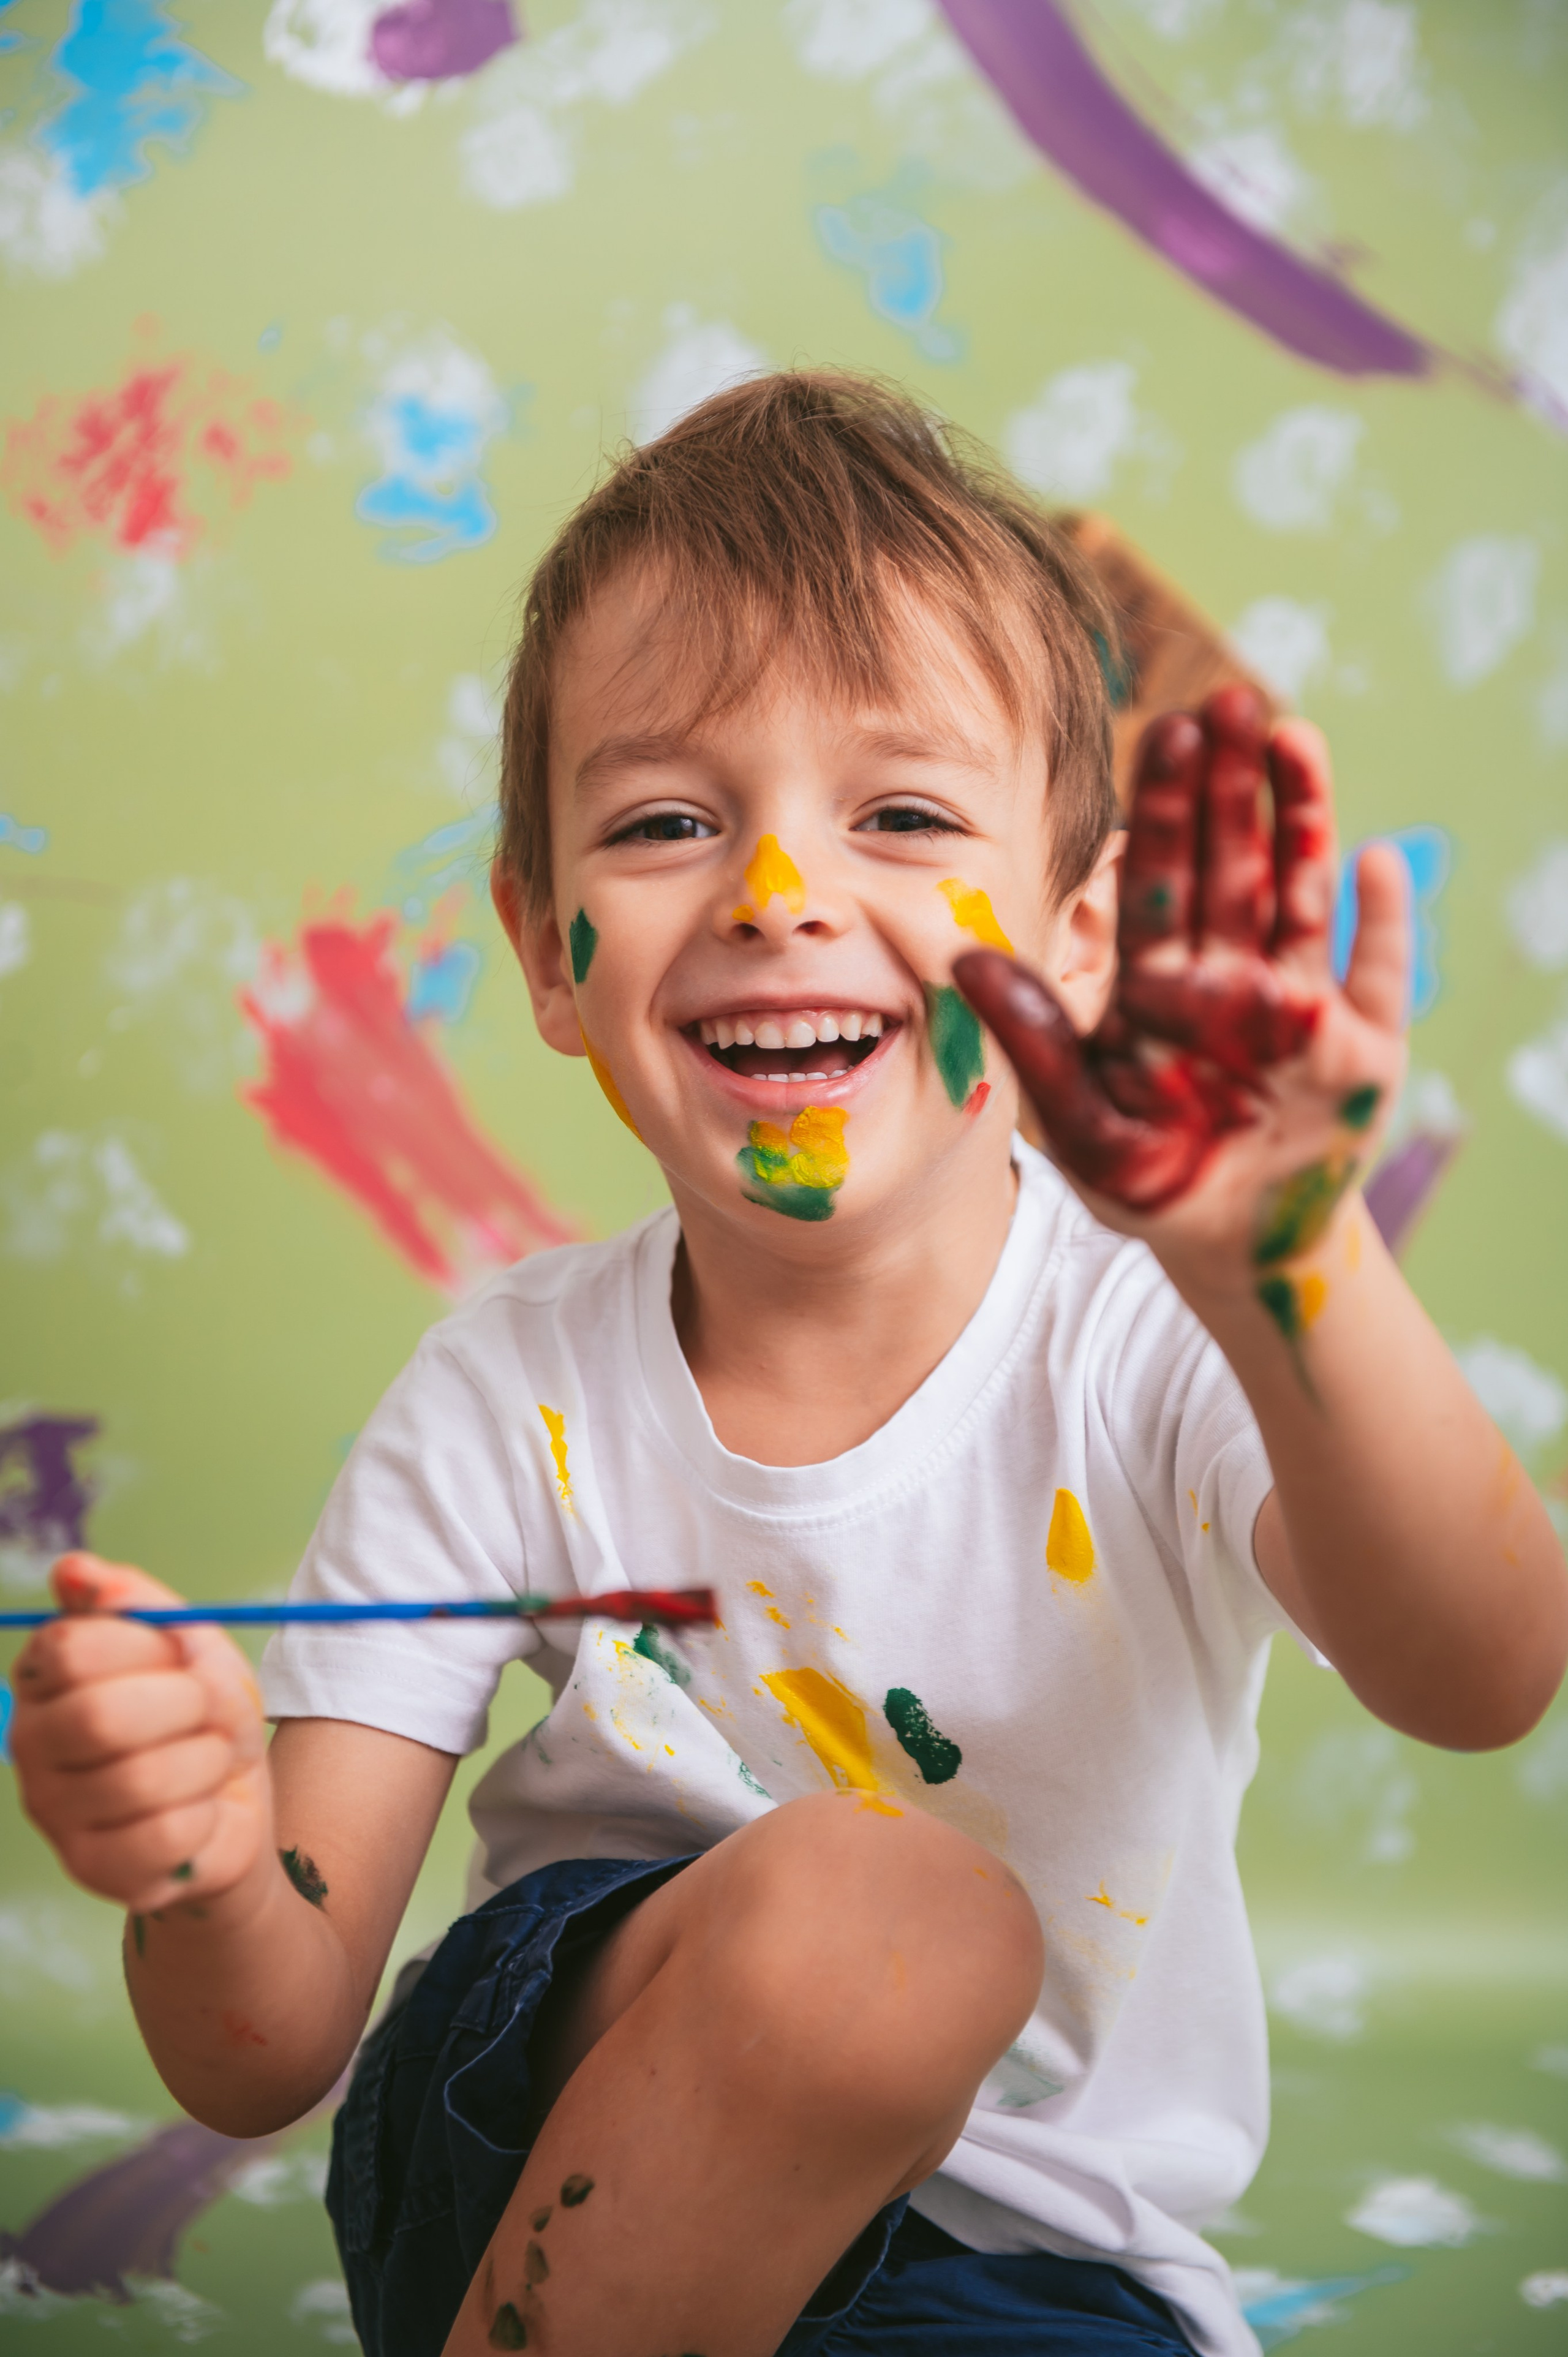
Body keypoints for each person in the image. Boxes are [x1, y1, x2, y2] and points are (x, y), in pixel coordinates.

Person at [10, 374, 1564, 2357]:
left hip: (1024, 2271)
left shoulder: (1165, 1339)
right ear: (553, 952)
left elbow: (1487, 1673)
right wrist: (208, 1861)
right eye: (667, 822)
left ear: (1079, 942)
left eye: (903, 816)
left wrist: (1296, 1271)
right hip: (535, 2165)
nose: (773, 894)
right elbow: (261, 2045)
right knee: (897, 1923)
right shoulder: (510, 1393)